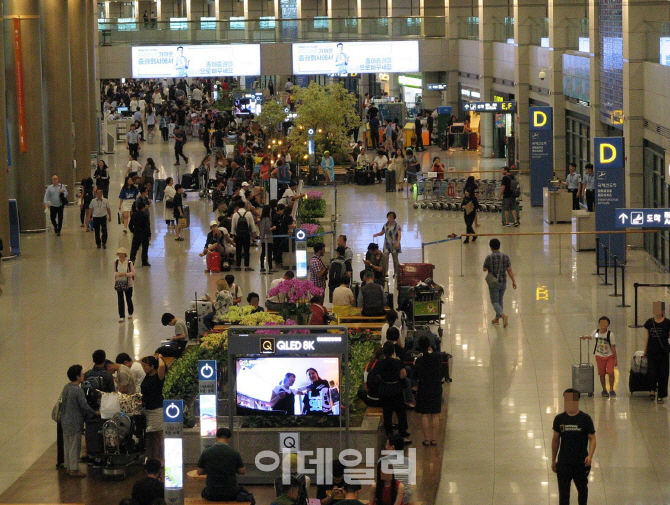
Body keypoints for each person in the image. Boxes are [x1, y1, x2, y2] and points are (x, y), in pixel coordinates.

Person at [551, 388, 596, 505]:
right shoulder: (559, 419)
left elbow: (592, 438)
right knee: (564, 493)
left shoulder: (585, 419)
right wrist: (553, 460)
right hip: (564, 462)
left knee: (582, 490)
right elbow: (555, 440)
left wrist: (590, 456)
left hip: (581, 462)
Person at [196, 428, 255, 504]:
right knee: (244, 491)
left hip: (211, 493)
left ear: (216, 438)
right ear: (229, 439)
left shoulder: (206, 452)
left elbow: (199, 472)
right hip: (231, 493)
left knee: (204, 491)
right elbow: (242, 471)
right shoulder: (234, 453)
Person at [60, 365, 98, 477]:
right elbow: (84, 406)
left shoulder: (66, 387)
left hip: (65, 420)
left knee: (67, 445)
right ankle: (74, 469)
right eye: (81, 374)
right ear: (77, 376)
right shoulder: (78, 390)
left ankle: (68, 466)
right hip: (75, 421)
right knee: (75, 447)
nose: (83, 375)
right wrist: (94, 412)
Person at [412, 335, 442, 446]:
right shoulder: (438, 356)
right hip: (436, 387)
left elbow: (414, 375)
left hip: (423, 387)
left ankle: (427, 439)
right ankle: (434, 439)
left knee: (424, 414)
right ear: (430, 345)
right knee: (435, 413)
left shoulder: (419, 360)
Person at [483, 238, 517, 327]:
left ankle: (502, 315)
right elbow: (509, 269)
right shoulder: (505, 256)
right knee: (500, 300)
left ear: (491, 247)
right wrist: (513, 281)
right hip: (503, 282)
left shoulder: (489, 257)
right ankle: (497, 319)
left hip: (494, 283)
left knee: (494, 301)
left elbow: (484, 269)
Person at [581, 316, 618, 397]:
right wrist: (585, 337)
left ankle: (611, 389)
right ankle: (604, 390)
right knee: (602, 374)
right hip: (599, 356)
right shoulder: (596, 332)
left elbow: (613, 347)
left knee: (611, 372)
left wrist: (615, 359)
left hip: (609, 356)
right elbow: (592, 337)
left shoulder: (610, 335)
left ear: (608, 324)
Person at [140, 355, 166, 462]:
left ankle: (160, 458)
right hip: (148, 409)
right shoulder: (147, 376)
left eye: (145, 366)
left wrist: (159, 357)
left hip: (156, 409)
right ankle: (153, 458)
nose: (143, 368)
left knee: (158, 436)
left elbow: (162, 367)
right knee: (151, 437)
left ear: (152, 366)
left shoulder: (158, 377)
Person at [644, 301, 670, 403]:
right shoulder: (649, 322)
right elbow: (648, 337)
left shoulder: (667, 323)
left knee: (663, 373)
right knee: (652, 372)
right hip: (652, 351)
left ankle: (661, 395)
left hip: (663, 351)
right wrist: (645, 351)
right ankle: (652, 389)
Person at [378, 435, 414, 504]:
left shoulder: (382, 461)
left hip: (390, 496)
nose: (385, 447)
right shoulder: (409, 462)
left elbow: (382, 482)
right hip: (405, 496)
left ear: (392, 447)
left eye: (387, 444)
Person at [373, 211, 402, 277]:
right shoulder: (385, 225)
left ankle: (396, 273)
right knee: (385, 259)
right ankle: (385, 272)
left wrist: (398, 242)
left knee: (395, 260)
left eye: (391, 217)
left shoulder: (397, 226)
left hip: (395, 245)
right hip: (387, 245)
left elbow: (399, 234)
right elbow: (382, 232)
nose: (390, 218)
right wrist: (377, 234)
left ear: (394, 218)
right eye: (389, 217)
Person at [231, 200, 255, 271]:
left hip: (238, 234)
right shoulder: (248, 213)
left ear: (238, 206)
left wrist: (233, 235)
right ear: (244, 206)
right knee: (247, 250)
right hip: (246, 234)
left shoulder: (235, 214)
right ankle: (247, 266)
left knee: (238, 250)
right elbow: (252, 224)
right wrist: (254, 233)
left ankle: (238, 266)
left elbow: (233, 226)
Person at [114, 247, 135, 323]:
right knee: (120, 299)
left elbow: (133, 272)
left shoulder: (129, 263)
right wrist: (118, 274)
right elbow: (114, 272)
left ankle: (130, 312)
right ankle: (121, 316)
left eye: (122, 253)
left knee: (128, 298)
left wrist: (125, 274)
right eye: (119, 254)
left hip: (128, 284)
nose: (120, 255)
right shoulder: (116, 262)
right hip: (119, 283)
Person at [129, 200, 151, 267]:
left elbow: (130, 225)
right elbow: (147, 226)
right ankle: (144, 262)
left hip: (136, 234)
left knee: (134, 249)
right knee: (144, 249)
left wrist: (133, 231)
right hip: (144, 235)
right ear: (143, 208)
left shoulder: (134, 215)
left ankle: (132, 261)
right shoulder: (145, 215)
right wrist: (149, 235)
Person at [259, 205, 275, 273]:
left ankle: (262, 267)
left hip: (263, 237)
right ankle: (270, 267)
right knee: (269, 253)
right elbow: (268, 229)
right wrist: (273, 228)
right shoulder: (268, 219)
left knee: (263, 253)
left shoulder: (262, 218)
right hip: (268, 238)